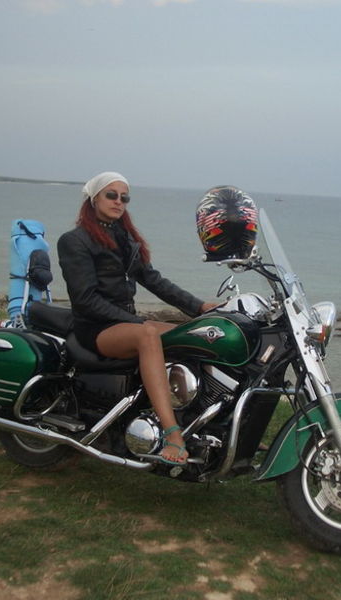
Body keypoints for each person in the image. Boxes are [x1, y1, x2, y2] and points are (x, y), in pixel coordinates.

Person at [57, 172, 219, 465]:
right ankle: (172, 433)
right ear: (94, 199)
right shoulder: (74, 241)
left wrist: (199, 307)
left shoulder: (125, 239)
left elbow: (154, 281)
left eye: (124, 197)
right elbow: (86, 300)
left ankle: (206, 420)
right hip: (95, 328)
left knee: (197, 336)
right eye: (111, 195)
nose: (118, 201)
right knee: (147, 334)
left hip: (125, 322)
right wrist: (135, 323)